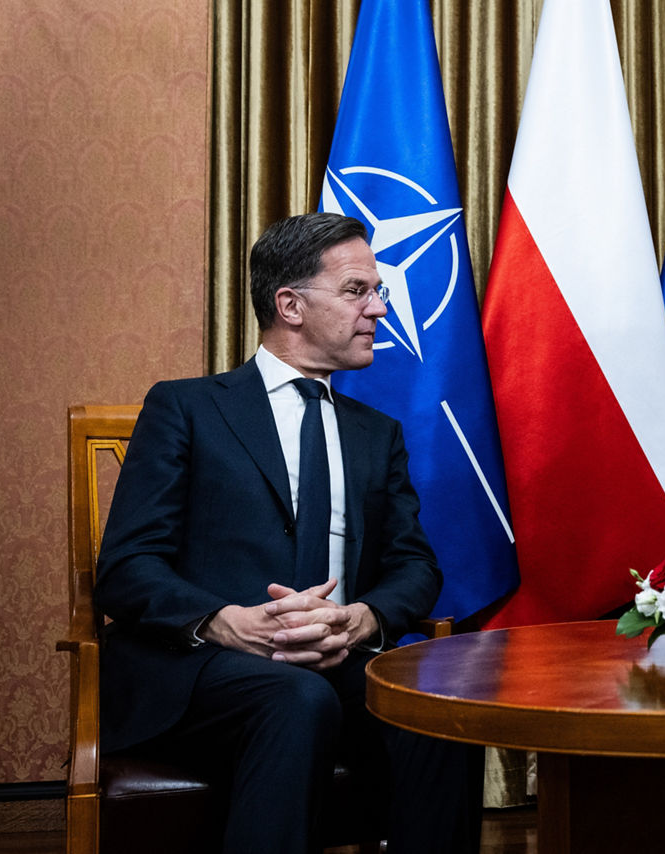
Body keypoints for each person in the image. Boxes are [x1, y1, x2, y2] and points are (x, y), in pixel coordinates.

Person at [94, 212, 480, 854]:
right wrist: (226, 622)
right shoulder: (187, 407)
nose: (379, 309)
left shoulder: (376, 433)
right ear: (290, 305)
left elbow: (415, 566)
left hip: (338, 659)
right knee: (297, 698)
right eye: (357, 291)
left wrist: (361, 619)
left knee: (442, 707)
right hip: (203, 667)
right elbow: (127, 567)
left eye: (377, 291)